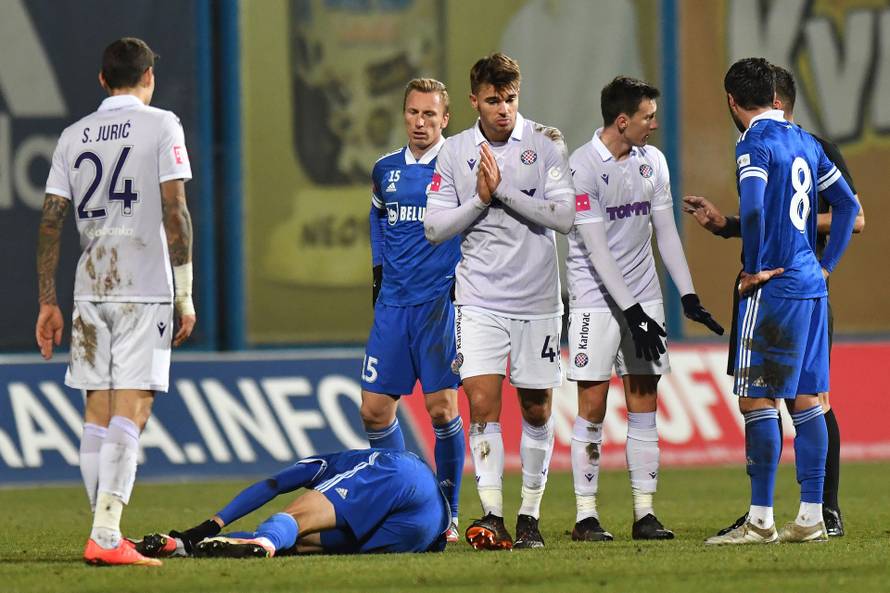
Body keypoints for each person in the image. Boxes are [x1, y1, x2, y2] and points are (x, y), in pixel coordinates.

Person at [684, 64, 865, 538]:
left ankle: (760, 519)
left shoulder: (754, 142)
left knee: (756, 398)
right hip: (811, 285)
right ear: (775, 96)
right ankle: (811, 516)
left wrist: (755, 267)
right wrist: (826, 268)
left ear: (732, 101)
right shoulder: (806, 142)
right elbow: (848, 205)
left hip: (774, 287)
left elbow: (756, 207)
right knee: (808, 400)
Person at [35, 37, 195, 566]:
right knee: (133, 406)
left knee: (97, 413)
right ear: (148, 76)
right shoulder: (162, 124)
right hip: (142, 285)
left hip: (90, 287)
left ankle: (106, 528)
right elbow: (176, 210)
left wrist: (47, 301)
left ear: (103, 80)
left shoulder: (73, 135)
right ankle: (105, 534)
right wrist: (185, 292)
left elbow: (51, 222)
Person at [424, 52, 575, 550]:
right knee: (482, 403)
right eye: (493, 100)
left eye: (510, 99)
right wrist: (479, 200)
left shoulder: (546, 142)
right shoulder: (454, 152)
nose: (504, 109)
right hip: (479, 298)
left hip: (537, 299)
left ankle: (529, 514)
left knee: (536, 407)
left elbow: (564, 217)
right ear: (474, 101)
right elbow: (433, 228)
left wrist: (503, 191)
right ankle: (492, 514)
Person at [565, 76, 724, 543]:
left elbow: (666, 232)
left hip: (644, 294)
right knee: (592, 405)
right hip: (595, 298)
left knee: (644, 400)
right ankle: (586, 516)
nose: (654, 125)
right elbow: (597, 251)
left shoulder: (653, 161)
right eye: (647, 117)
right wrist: (632, 314)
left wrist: (687, 294)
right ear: (622, 121)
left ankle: (644, 514)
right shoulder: (582, 167)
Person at [360, 78, 464, 542]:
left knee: (441, 410)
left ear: (446, 118)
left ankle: (448, 513)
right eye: (413, 113)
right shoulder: (385, 169)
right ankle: (404, 500)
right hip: (393, 305)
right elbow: (377, 217)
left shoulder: (458, 164)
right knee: (374, 411)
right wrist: (378, 272)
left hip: (440, 303)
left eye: (429, 114)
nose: (420, 122)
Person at [130, 449, 450, 557]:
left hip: (402, 472)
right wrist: (201, 535)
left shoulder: (324, 464)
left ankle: (264, 543)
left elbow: (272, 485)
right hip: (426, 528)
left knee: (291, 518)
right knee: (293, 541)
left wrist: (211, 523)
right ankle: (179, 548)